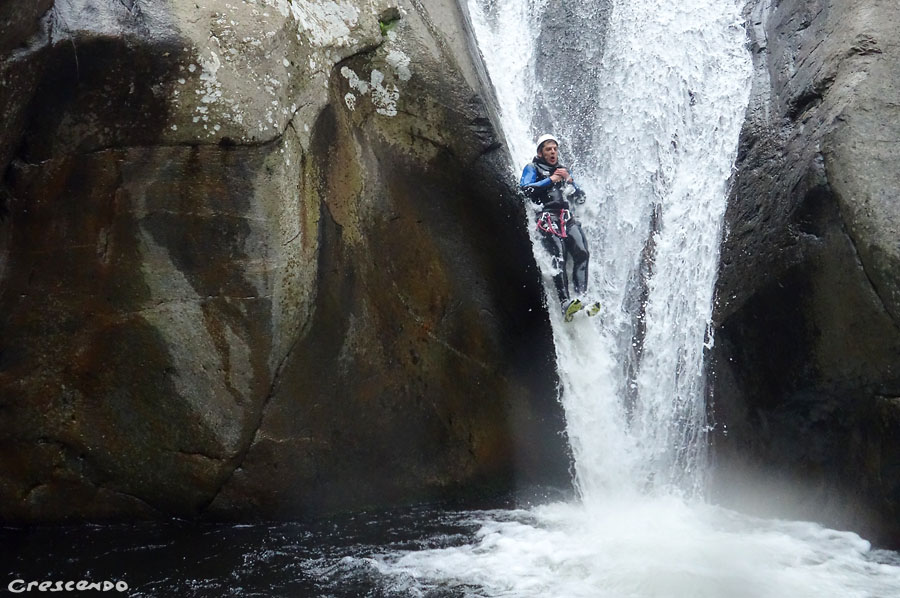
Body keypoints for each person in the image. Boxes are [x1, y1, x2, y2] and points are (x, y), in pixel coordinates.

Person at [520, 133, 597, 321]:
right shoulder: (533, 167)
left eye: (555, 148)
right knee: (559, 254)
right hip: (546, 216)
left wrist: (572, 184)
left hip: (566, 217)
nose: (553, 152)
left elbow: (580, 199)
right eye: (548, 149)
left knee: (582, 252)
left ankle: (581, 297)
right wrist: (551, 180)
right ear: (540, 152)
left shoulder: (562, 171)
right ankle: (564, 302)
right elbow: (525, 189)